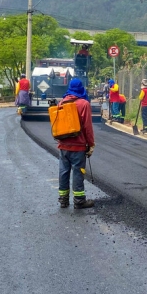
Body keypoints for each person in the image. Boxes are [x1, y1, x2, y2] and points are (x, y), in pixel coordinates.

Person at [56, 78, 95, 209]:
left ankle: (63, 200)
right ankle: (79, 200)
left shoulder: (61, 102)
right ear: (81, 88)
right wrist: (91, 144)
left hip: (63, 145)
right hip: (78, 146)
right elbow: (87, 127)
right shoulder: (84, 104)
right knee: (78, 172)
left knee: (63, 171)